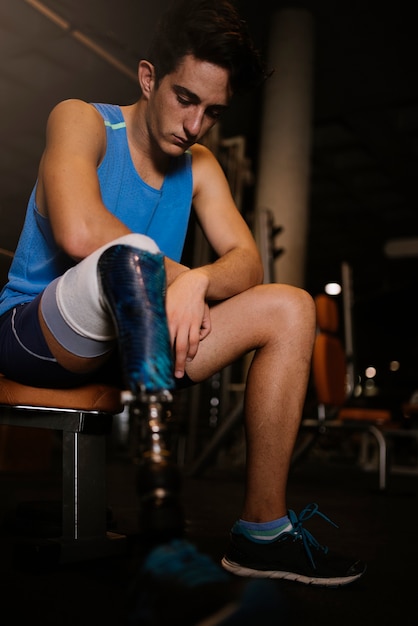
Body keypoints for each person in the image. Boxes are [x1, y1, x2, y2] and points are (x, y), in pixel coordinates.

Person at [0, 0, 365, 608]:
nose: (195, 125)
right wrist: (187, 275)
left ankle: (262, 532)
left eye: (213, 111)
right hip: (39, 334)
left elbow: (246, 264)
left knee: (290, 307)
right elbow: (79, 230)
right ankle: (165, 536)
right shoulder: (82, 120)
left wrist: (195, 283)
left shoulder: (199, 165)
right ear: (149, 78)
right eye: (185, 99)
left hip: (136, 339)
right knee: (133, 252)